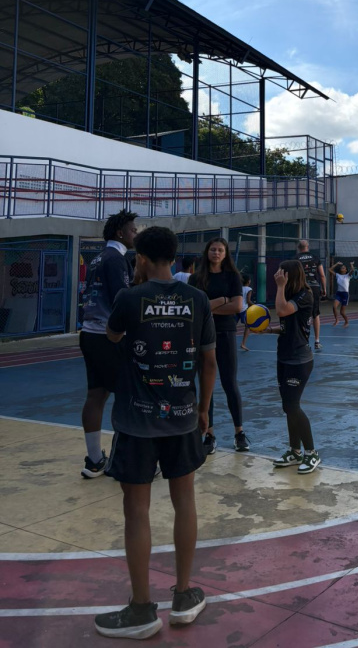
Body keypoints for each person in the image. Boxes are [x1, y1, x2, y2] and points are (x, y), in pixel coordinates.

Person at [94, 225, 216, 639]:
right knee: (185, 502)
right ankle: (183, 595)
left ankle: (142, 608)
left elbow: (111, 335)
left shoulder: (129, 297)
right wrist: (202, 410)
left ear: (141, 258)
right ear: (174, 254)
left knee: (137, 509)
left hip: (135, 419)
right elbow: (209, 362)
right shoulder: (197, 300)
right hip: (182, 416)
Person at [79, 209, 138, 479]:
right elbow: (121, 301)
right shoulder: (117, 260)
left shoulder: (97, 258)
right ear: (120, 233)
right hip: (107, 336)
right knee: (127, 396)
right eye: (133, 230)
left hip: (88, 334)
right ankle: (122, 461)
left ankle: (94, 460)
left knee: (97, 394)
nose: (135, 233)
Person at [189, 238, 247, 454]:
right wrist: (221, 301)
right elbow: (192, 307)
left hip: (225, 333)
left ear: (225, 254)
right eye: (213, 249)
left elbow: (237, 306)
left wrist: (208, 308)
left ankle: (239, 432)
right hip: (202, 336)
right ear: (207, 252)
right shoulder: (196, 278)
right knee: (207, 385)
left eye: (220, 250)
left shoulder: (233, 277)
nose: (216, 253)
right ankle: (210, 434)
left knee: (230, 382)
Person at [270, 260, 321, 474]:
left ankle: (312, 453)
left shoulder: (304, 295)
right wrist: (267, 330)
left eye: (282, 273)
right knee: (287, 406)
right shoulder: (291, 295)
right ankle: (295, 451)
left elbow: (281, 311)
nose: (278, 275)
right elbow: (287, 325)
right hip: (284, 357)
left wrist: (280, 287)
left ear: (291, 275)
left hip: (299, 360)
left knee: (292, 405)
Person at [296, 239, 327, 351]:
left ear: (298, 248)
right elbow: (322, 275)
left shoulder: (296, 259)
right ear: (307, 247)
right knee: (315, 314)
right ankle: (317, 341)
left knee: (300, 313)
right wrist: (324, 289)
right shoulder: (315, 257)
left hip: (301, 287)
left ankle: (303, 341)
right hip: (314, 287)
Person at [330, 260, 355, 327]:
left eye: (344, 267)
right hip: (339, 293)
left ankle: (346, 322)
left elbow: (352, 270)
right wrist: (336, 264)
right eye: (341, 267)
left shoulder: (347, 276)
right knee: (334, 306)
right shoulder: (337, 275)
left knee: (342, 312)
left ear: (346, 270)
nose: (342, 268)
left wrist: (351, 264)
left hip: (345, 294)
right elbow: (330, 269)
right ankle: (337, 320)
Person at [239, 274, 254, 350]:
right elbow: (248, 301)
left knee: (231, 326)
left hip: (236, 308)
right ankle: (243, 344)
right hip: (243, 309)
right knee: (248, 326)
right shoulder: (249, 289)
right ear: (249, 281)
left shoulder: (239, 288)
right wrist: (256, 306)